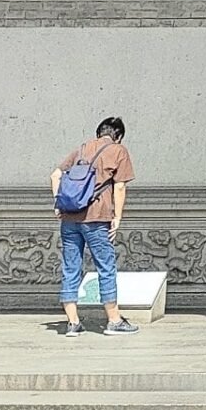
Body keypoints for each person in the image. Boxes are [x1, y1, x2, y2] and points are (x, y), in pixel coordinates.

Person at [50, 117, 134, 338]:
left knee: (71, 267)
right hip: (97, 217)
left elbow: (55, 175)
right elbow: (120, 186)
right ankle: (114, 321)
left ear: (99, 133)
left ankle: (73, 323)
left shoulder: (82, 149)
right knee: (106, 266)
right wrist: (117, 216)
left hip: (69, 218)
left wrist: (58, 203)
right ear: (119, 135)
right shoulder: (118, 150)